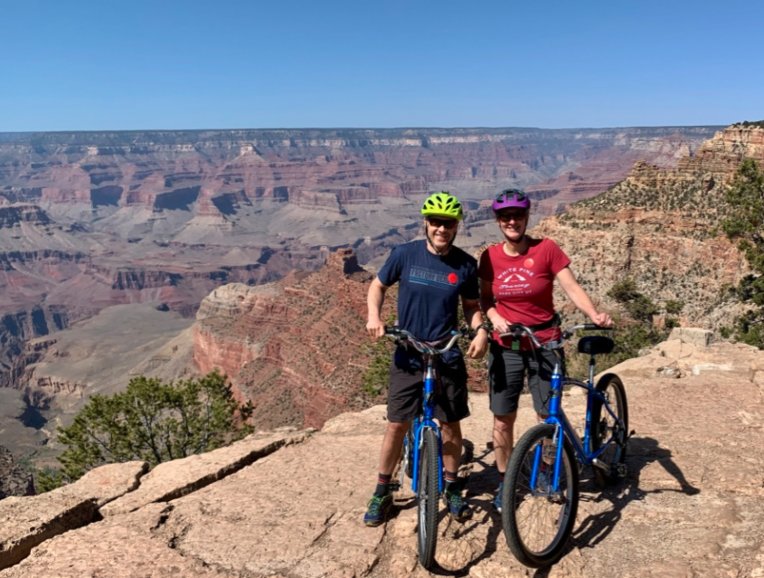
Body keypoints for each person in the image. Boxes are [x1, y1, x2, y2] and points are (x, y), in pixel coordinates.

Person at [478, 188, 612, 512]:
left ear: (526, 218)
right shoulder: (489, 256)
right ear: (498, 221)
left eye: (518, 215)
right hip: (506, 345)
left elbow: (571, 286)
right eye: (506, 216)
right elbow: (484, 298)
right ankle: (505, 483)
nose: (512, 221)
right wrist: (494, 316)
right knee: (502, 420)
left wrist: (593, 314)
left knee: (546, 415)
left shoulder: (547, 249)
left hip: (545, 342)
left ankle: (547, 474)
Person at [363, 191, 490, 527]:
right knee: (396, 423)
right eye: (435, 222)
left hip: (446, 352)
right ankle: (382, 490)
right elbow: (377, 286)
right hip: (409, 352)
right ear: (425, 223)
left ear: (457, 226)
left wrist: (480, 331)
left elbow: (472, 307)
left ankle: (451, 487)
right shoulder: (404, 254)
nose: (441, 229)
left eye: (448, 223)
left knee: (450, 424)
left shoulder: (465, 264)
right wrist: (374, 316)